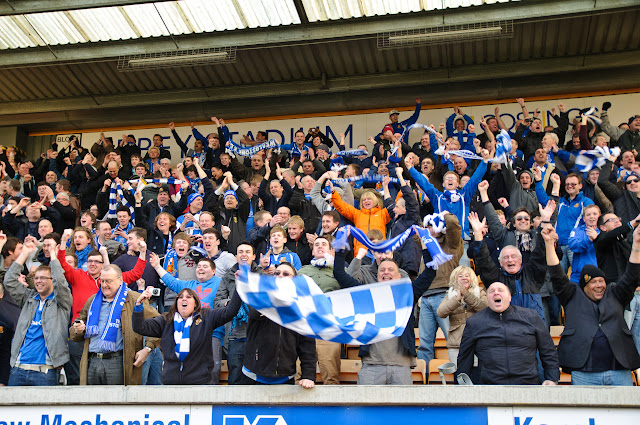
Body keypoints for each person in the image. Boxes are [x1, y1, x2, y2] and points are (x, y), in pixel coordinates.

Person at [543, 224, 640, 386]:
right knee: (586, 413)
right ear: (584, 286)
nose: (599, 285)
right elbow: (556, 275)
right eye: (593, 282)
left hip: (619, 372)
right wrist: (548, 243)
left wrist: (636, 244)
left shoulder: (616, 293)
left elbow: (631, 276)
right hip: (584, 374)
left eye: (601, 281)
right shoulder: (572, 295)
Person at [334, 235, 437, 385]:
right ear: (378, 276)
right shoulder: (367, 296)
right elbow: (340, 274)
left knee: (402, 407)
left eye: (390, 270)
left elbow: (430, 272)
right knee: (365, 409)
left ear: (399, 276)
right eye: (382, 270)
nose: (386, 272)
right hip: (372, 365)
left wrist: (426, 246)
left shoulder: (408, 295)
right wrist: (341, 248)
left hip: (402, 366)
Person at [69, 263, 160, 385]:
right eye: (102, 281)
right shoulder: (93, 300)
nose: (105, 285)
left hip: (118, 361)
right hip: (92, 361)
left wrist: (147, 349)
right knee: (92, 402)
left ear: (120, 280)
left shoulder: (133, 299)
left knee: (116, 403)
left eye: (109, 281)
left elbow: (158, 323)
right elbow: (76, 328)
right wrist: (77, 329)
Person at [132, 283, 242, 385]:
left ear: (195, 304)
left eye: (189, 297)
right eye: (180, 297)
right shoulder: (166, 321)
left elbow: (230, 311)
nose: (184, 298)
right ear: (176, 303)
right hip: (171, 383)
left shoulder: (206, 317)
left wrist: (239, 287)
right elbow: (139, 327)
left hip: (199, 383)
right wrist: (138, 306)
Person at [457, 280, 560, 385]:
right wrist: (462, 385)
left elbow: (548, 350)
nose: (496, 293)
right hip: (490, 387)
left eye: (500, 290)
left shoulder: (531, 317)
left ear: (509, 297)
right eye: (491, 291)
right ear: (487, 299)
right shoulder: (474, 322)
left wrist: (552, 378)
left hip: (528, 384)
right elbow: (464, 358)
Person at [148, 253, 226, 384]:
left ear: (213, 271)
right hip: (188, 332)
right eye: (199, 266)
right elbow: (170, 281)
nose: (200, 268)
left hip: (212, 334)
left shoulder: (220, 283)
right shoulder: (188, 286)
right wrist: (156, 266)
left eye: (205, 266)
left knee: (212, 370)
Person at [4, 239, 71, 386]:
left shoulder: (62, 302)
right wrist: (25, 253)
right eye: (36, 278)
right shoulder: (29, 298)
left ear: (52, 280)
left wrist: (53, 254)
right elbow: (9, 281)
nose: (38, 281)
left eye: (43, 278)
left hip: (45, 371)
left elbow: (60, 281)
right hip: (18, 368)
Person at [242, 262, 317, 388]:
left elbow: (307, 347)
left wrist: (308, 376)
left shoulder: (302, 309)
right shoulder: (260, 297)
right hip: (253, 375)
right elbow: (254, 312)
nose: (280, 276)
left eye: (286, 274)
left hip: (285, 377)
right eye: (277, 273)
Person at [298, 236, 341, 384]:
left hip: (328, 327)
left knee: (330, 373)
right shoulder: (302, 271)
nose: (320, 246)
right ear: (312, 250)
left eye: (324, 244)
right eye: (316, 244)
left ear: (331, 250)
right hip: (305, 326)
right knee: (299, 374)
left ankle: (331, 407)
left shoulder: (340, 270)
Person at [436, 266, 487, 365]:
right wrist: (457, 299)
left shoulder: (480, 292)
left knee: (477, 376)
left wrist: (466, 294)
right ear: (455, 279)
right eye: (460, 276)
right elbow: (440, 313)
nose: (464, 278)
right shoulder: (450, 295)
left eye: (467, 275)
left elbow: (485, 308)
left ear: (471, 278)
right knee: (459, 376)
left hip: (477, 342)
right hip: (456, 344)